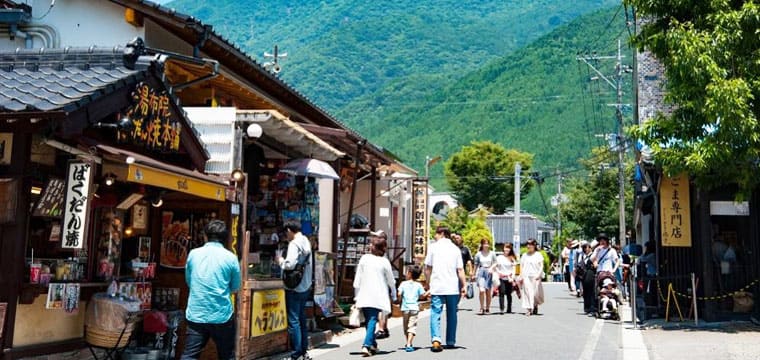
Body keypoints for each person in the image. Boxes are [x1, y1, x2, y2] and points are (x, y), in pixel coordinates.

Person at [182, 220, 241, 360]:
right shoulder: (231, 258)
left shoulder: (193, 254)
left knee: (189, 355)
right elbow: (235, 287)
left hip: (196, 313)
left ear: (205, 236)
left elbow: (189, 281)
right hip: (222, 315)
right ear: (225, 238)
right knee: (227, 355)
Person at [353, 231, 397, 357]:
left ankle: (373, 344)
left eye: (371, 245)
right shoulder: (384, 262)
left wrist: (356, 294)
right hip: (378, 295)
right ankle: (366, 345)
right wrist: (394, 294)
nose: (369, 246)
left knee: (369, 320)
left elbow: (358, 279)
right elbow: (391, 280)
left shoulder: (364, 259)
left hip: (364, 294)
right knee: (372, 320)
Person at [424, 226, 466, 352]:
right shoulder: (455, 249)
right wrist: (464, 285)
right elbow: (460, 269)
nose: (434, 236)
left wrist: (427, 283)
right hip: (452, 287)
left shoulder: (433, 247)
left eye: (436, 234)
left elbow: (428, 268)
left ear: (442, 233)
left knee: (436, 313)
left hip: (437, 286)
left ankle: (436, 339)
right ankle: (451, 341)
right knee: (452, 314)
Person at [278, 222, 313, 360]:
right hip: (304, 285)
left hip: (294, 287)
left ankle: (297, 354)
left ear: (289, 230)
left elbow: (290, 264)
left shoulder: (294, 244)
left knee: (293, 321)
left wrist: (280, 260)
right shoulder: (306, 241)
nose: (286, 235)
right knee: (301, 320)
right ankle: (304, 351)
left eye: (286, 233)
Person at [397, 265, 428, 352]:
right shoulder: (418, 285)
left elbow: (399, 294)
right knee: (412, 326)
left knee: (406, 327)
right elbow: (422, 296)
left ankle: (408, 343)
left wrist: (399, 300)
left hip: (405, 308)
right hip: (414, 308)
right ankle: (409, 343)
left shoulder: (403, 284)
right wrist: (429, 291)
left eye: (407, 272)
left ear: (410, 274)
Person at [520, 239, 545, 316]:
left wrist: (539, 274)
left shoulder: (538, 255)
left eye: (530, 244)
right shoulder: (524, 255)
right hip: (526, 276)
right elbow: (521, 266)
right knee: (527, 292)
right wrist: (521, 275)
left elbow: (541, 265)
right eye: (527, 244)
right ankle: (529, 309)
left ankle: (535, 304)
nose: (528, 246)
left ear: (534, 245)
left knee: (535, 293)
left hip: (535, 276)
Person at [491, 243, 518, 314]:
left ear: (510, 249)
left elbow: (514, 268)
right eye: (505, 248)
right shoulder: (499, 257)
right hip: (501, 277)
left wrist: (513, 276)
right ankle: (502, 308)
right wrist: (497, 271)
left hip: (509, 278)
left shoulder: (512, 258)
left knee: (509, 293)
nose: (507, 249)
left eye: (508, 248)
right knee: (501, 292)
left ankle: (509, 308)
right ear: (503, 249)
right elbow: (495, 265)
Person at [474, 239, 497, 314]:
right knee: (481, 290)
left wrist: (491, 268)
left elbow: (496, 263)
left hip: (489, 272)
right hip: (481, 271)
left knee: (488, 291)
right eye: (485, 244)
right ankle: (481, 307)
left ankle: (487, 308)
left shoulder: (492, 254)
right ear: (482, 245)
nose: (486, 245)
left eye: (487, 243)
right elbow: (476, 264)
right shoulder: (478, 254)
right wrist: (473, 274)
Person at [578, 242, 596, 315]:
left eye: (587, 247)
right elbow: (579, 264)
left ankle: (592, 308)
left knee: (591, 292)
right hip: (584, 275)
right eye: (584, 248)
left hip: (591, 274)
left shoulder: (593, 255)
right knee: (585, 291)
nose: (585, 249)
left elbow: (595, 265)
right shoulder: (583, 256)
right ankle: (587, 307)